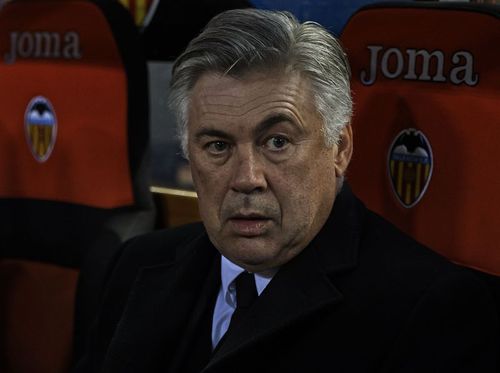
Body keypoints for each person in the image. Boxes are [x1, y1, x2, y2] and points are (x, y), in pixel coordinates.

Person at [75, 8, 499, 373]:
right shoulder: (135, 266)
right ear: (189, 153)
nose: (247, 177)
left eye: (277, 142)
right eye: (217, 146)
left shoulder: (428, 311)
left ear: (340, 148)